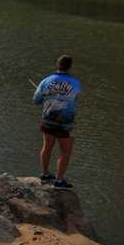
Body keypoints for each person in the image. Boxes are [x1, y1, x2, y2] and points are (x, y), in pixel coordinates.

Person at [33, 55, 81, 189]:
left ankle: (45, 174)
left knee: (47, 146)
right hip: (65, 123)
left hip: (48, 119)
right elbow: (75, 98)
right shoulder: (75, 83)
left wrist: (47, 97)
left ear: (57, 65)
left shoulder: (46, 81)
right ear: (70, 67)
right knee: (65, 151)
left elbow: (36, 101)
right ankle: (59, 181)